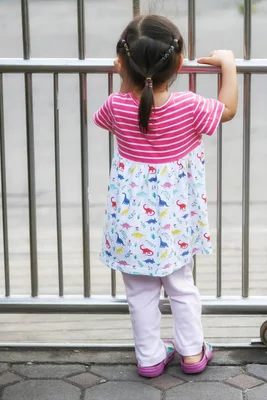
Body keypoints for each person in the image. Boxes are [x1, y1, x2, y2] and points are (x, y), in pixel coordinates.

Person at [93, 14, 238, 378]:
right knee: (181, 286)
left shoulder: (117, 105)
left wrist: (125, 78)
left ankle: (150, 357)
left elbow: (106, 114)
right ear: (179, 63)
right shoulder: (189, 106)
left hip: (132, 222)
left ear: (123, 64)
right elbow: (229, 110)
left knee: (139, 292)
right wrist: (229, 64)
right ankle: (191, 353)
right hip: (175, 221)